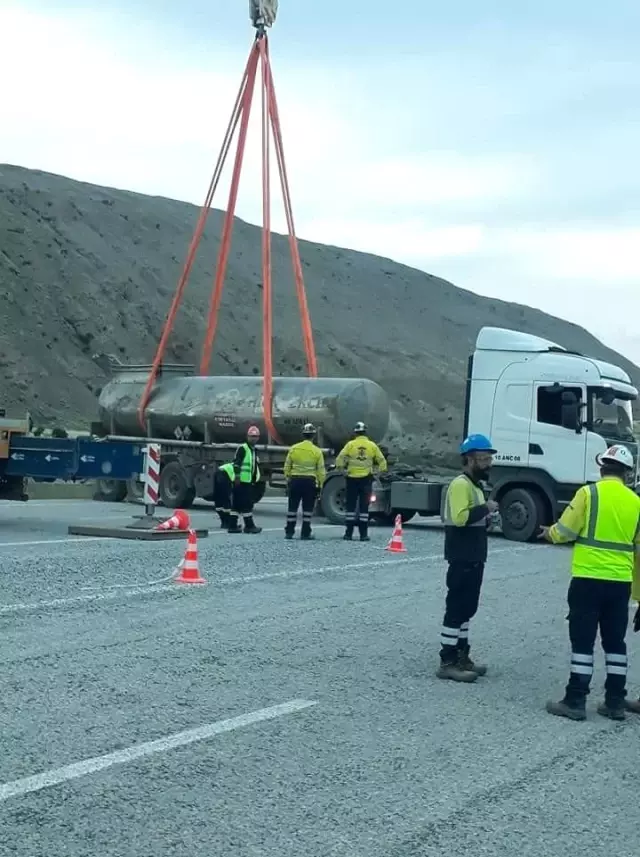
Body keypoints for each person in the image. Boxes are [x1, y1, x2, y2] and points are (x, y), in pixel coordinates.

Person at [539, 444, 640, 721]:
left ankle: (575, 700)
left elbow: (566, 530)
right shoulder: (636, 502)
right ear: (627, 473)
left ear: (601, 468)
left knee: (583, 640)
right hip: (620, 583)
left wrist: (550, 534)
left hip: (588, 578)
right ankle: (615, 702)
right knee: (615, 642)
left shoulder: (588, 493)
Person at [437, 433, 498, 683]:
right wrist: (487, 508)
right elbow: (461, 518)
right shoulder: (461, 484)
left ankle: (462, 655)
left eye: (488, 459)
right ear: (470, 459)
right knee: (456, 608)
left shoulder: (475, 486)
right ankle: (448, 660)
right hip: (462, 556)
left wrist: (487, 519)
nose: (488, 464)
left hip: (473, 556)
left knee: (466, 608)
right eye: (483, 459)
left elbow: (474, 519)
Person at [335, 421, 387, 541]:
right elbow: (382, 462)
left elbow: (339, 459)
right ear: (365, 432)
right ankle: (363, 535)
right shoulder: (372, 445)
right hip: (366, 480)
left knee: (350, 507)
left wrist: (342, 471)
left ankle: (348, 534)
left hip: (352, 479)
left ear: (355, 433)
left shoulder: (350, 445)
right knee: (364, 508)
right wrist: (378, 473)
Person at [283, 423, 326, 540]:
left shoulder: (294, 448)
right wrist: (320, 485)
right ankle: (305, 533)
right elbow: (321, 471)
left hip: (295, 480)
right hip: (309, 482)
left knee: (292, 508)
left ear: (303, 435)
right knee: (307, 510)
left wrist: (288, 479)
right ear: (313, 436)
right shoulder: (317, 451)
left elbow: (287, 466)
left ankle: (289, 532)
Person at [228, 425, 263, 534]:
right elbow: (236, 463)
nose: (254, 438)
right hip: (241, 481)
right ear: (247, 437)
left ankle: (232, 526)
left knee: (237, 505)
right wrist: (237, 476)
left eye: (256, 436)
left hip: (248, 481)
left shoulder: (253, 450)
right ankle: (249, 526)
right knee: (247, 504)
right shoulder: (243, 448)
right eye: (252, 436)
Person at [212, 462, 235, 529]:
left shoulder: (235, 464)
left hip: (218, 472)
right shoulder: (246, 470)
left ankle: (224, 522)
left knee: (218, 497)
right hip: (225, 475)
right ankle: (227, 523)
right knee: (226, 498)